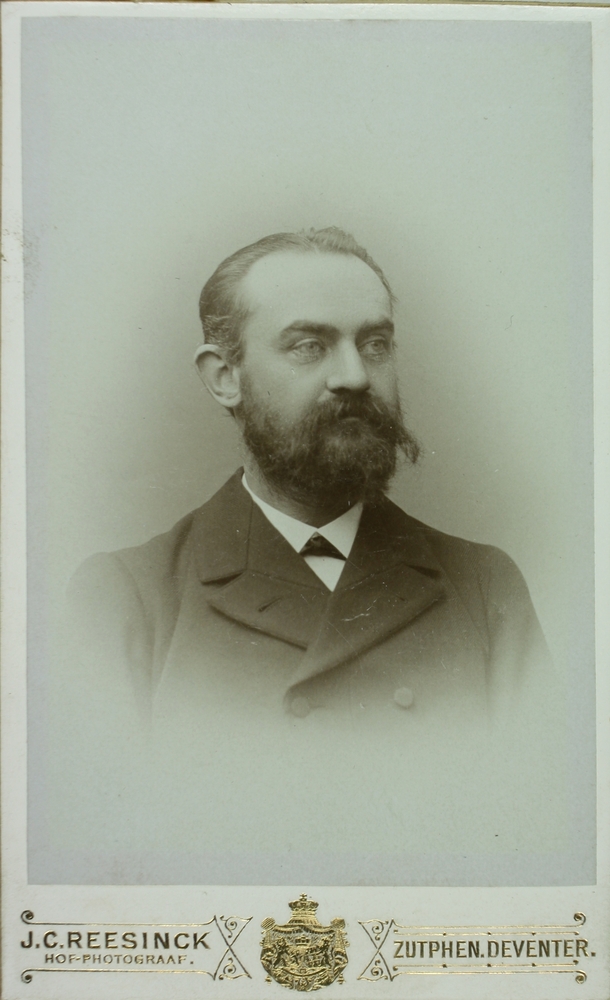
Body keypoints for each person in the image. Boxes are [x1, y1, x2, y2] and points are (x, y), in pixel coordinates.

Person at [58, 228, 565, 883]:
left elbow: (540, 843)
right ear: (224, 378)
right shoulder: (127, 597)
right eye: (309, 346)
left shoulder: (485, 586)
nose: (354, 376)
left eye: (375, 344)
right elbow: (103, 866)